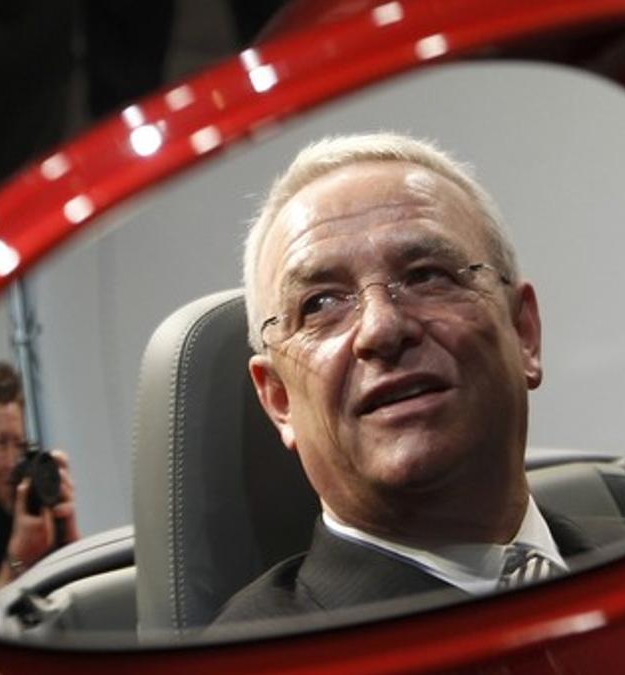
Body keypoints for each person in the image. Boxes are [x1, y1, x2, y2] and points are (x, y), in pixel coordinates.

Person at [213, 133, 592, 624]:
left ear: (524, 334)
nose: (382, 329)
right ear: (279, 400)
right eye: (321, 304)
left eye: (427, 276)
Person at [0, 361, 80, 598]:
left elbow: (79, 581)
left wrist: (70, 525)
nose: (12, 461)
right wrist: (17, 556)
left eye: (19, 444)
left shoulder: (39, 483)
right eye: (2, 443)